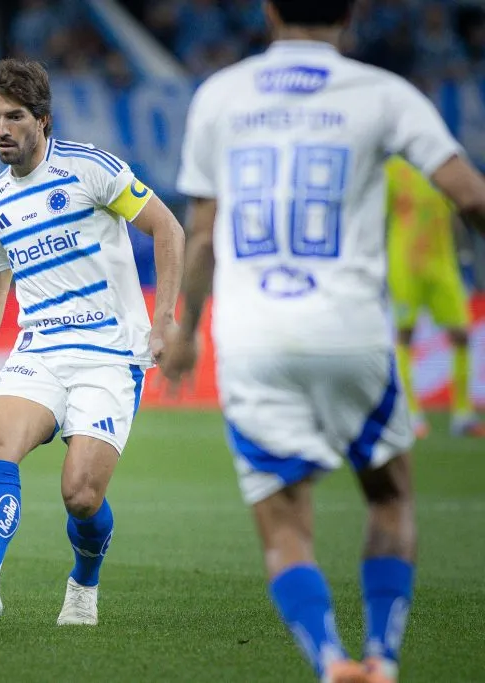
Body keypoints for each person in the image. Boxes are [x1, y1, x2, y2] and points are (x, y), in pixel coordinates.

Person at [165, 0, 485, 681]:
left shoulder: (220, 95)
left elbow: (200, 236)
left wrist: (186, 332)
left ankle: (331, 659)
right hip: (351, 331)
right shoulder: (385, 93)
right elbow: (471, 197)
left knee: (286, 523)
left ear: (268, 9)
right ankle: (384, 655)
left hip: (251, 338)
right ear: (354, 11)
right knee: (390, 493)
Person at [0, 58, 185, 626]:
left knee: (81, 496)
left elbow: (168, 227)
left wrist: (164, 322)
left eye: (14, 116)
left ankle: (84, 581)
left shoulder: (91, 170)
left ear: (43, 119)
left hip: (111, 354)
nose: (1, 129)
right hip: (39, 350)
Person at [385, 155, 484, 438]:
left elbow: (458, 208)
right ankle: (411, 413)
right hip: (406, 264)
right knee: (405, 335)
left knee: (461, 334)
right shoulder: (394, 169)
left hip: (442, 264)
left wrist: (461, 240)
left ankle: (463, 414)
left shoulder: (442, 164)